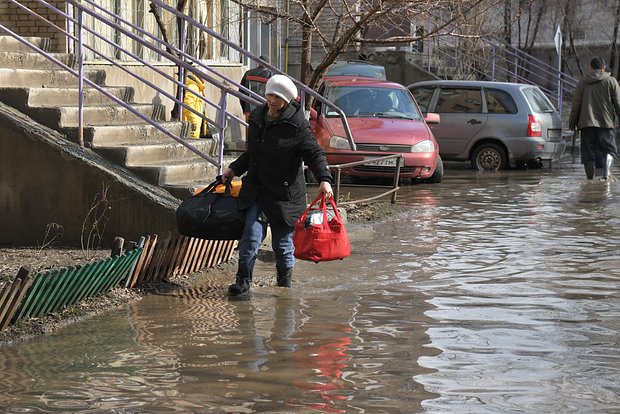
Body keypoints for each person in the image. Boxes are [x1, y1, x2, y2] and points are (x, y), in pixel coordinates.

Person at [222, 74, 334, 297]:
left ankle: (284, 286)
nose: (271, 100)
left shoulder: (297, 125)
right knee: (250, 238)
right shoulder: (258, 118)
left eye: (277, 97)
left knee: (282, 246)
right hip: (257, 190)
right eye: (269, 95)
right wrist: (233, 169)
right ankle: (243, 283)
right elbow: (253, 153)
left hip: (284, 195)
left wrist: (324, 179)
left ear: (287, 100)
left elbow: (314, 153)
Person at [569, 57, 620, 180]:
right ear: (603, 68)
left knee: (588, 155)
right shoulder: (611, 81)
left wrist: (572, 122)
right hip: (605, 123)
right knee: (610, 150)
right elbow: (618, 103)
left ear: (590, 68)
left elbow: (576, 105)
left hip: (586, 124)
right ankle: (606, 175)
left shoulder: (582, 83)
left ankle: (590, 181)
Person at [182, 67, 209, 139]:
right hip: (192, 125)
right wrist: (193, 121)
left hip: (196, 124)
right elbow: (188, 104)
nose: (205, 78)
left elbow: (202, 107)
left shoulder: (199, 87)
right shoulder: (193, 87)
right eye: (204, 75)